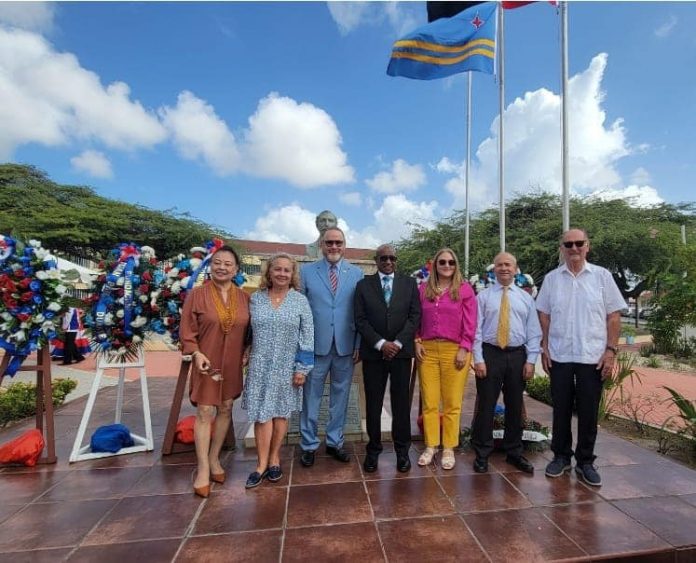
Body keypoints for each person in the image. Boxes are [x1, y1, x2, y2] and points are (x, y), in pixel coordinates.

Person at [536, 228, 624, 486]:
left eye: (578, 243)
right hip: (560, 355)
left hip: (592, 357)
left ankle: (585, 461)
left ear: (588, 246)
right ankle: (561, 456)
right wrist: (545, 346)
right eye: (568, 244)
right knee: (560, 409)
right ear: (561, 248)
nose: (574, 248)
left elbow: (614, 316)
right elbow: (544, 314)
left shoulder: (602, 277)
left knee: (588, 412)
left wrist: (611, 350)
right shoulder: (552, 279)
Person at [180, 245, 251, 498]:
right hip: (206, 361)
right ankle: (201, 469)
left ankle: (213, 459)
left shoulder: (244, 298)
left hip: (232, 362)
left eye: (228, 264)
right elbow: (187, 330)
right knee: (205, 410)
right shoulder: (197, 295)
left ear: (236, 269)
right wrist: (196, 353)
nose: (222, 267)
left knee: (226, 408)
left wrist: (248, 349)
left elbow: (250, 330)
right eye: (217, 263)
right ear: (210, 266)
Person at [243, 253, 314, 488]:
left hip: (287, 365)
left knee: (281, 413)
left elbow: (307, 336)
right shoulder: (256, 299)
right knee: (262, 413)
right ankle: (261, 464)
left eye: (287, 270)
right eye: (278, 269)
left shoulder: (299, 301)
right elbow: (247, 331)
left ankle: (274, 458)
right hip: (260, 364)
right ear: (269, 272)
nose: (282, 274)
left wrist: (302, 368)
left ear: (293, 274)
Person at [471, 252, 542, 474]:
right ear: (494, 269)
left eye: (508, 265)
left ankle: (514, 452)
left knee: (514, 405)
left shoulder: (526, 298)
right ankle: (482, 452)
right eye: (500, 265)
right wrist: (479, 359)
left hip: (517, 355)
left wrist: (531, 361)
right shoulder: (482, 297)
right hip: (490, 354)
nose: (504, 268)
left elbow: (534, 331)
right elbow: (476, 331)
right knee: (486, 405)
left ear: (515, 269)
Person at [299, 226, 363, 466]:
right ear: (321, 245)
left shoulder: (355, 273)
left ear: (344, 245)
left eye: (338, 243)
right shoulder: (306, 272)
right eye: (329, 243)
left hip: (346, 346)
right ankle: (308, 444)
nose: (334, 247)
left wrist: (358, 342)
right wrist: (302, 346)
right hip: (315, 347)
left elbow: (359, 312)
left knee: (340, 397)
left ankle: (335, 442)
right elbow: (301, 312)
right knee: (311, 397)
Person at [354, 244, 421, 473]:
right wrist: (382, 344)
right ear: (376, 260)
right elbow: (360, 319)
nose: (388, 262)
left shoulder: (409, 284)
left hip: (401, 354)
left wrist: (398, 343)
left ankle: (402, 452)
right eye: (384, 258)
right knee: (373, 404)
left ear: (397, 260)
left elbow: (415, 316)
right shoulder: (363, 286)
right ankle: (373, 450)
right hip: (374, 354)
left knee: (401, 405)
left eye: (392, 258)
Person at [415, 248, 476, 470]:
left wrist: (465, 347)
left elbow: (471, 322)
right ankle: (431, 445)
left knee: (452, 402)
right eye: (442, 262)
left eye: (451, 262)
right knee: (430, 401)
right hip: (428, 350)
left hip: (455, 350)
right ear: (435, 265)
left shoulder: (465, 290)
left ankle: (449, 446)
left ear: (456, 264)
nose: (447, 265)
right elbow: (416, 318)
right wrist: (417, 340)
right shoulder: (424, 289)